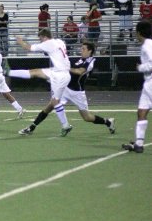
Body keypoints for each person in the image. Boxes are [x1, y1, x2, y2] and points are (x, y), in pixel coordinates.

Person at [18, 42, 115, 136]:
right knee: (50, 106)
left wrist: (66, 68)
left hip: (77, 93)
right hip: (66, 89)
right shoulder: (80, 60)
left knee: (87, 117)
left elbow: (79, 72)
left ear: (90, 51)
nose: (81, 50)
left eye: (83, 49)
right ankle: (31, 128)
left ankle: (108, 122)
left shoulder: (91, 61)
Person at [8, 28, 72, 136]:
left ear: (45, 37)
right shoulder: (59, 41)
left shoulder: (48, 43)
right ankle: (32, 127)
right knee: (35, 74)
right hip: (59, 72)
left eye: (41, 39)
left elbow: (28, 48)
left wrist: (20, 42)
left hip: (60, 75)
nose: (41, 41)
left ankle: (65, 125)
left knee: (55, 102)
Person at [122, 20, 152, 153]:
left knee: (142, 111)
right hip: (148, 83)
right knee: (141, 111)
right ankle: (139, 144)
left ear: (139, 32)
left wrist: (140, 67)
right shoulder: (146, 44)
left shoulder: (148, 45)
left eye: (136, 31)